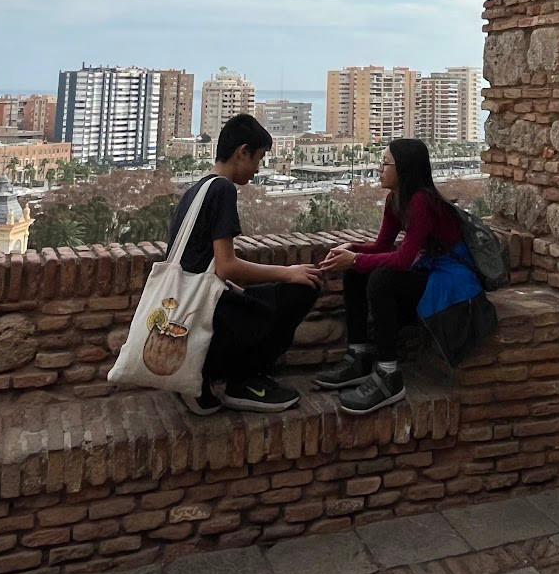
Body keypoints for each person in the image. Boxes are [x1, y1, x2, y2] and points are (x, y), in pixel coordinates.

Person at [312, 137, 495, 413]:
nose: (379, 169)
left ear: (404, 169)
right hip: (427, 269)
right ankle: (359, 357)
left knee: (382, 279)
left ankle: (389, 375)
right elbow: (382, 246)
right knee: (355, 272)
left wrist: (357, 258)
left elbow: (403, 259)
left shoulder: (421, 202)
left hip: (449, 278)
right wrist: (351, 250)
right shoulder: (395, 199)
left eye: (385, 164)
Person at [167, 112, 321, 415]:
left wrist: (236, 287)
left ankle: (214, 376)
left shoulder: (195, 191)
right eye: (259, 158)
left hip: (186, 308)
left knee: (265, 296)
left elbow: (199, 263)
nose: (257, 168)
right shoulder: (222, 189)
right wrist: (287, 272)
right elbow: (226, 266)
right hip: (205, 314)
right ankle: (241, 381)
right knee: (300, 290)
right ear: (243, 152)